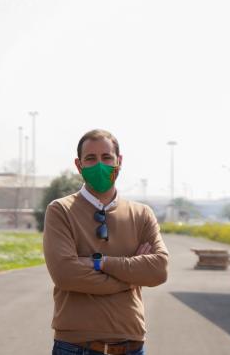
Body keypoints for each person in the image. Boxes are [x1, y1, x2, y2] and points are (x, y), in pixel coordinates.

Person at [43, 129, 169, 355]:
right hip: (75, 347)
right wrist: (131, 276)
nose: (99, 165)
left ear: (119, 162)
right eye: (90, 159)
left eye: (107, 158)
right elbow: (65, 274)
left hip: (131, 345)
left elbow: (158, 270)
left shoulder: (141, 214)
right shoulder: (60, 210)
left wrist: (100, 263)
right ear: (79, 165)